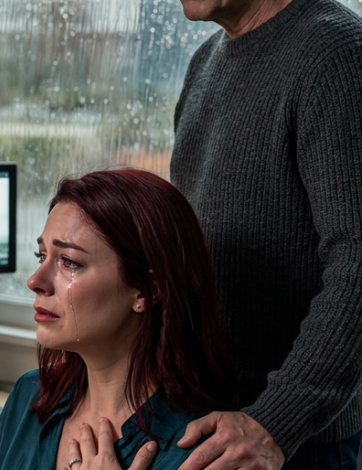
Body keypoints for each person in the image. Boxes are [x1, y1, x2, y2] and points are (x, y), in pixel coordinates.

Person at [169, 1, 362, 469]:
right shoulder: (205, 62)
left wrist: (277, 421)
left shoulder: (335, 53)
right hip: (207, 423)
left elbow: (357, 262)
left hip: (292, 443)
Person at [0, 169, 239, 470]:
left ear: (146, 290)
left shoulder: (201, 453)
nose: (35, 280)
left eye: (69, 262)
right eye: (42, 256)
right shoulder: (29, 395)